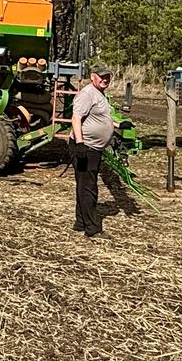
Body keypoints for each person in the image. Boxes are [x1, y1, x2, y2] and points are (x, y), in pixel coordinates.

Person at [71, 63, 115, 238]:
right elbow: (76, 118)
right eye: (101, 76)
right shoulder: (87, 94)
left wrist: (117, 125)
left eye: (107, 77)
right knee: (89, 187)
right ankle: (93, 228)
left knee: (84, 185)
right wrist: (80, 143)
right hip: (86, 147)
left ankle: (80, 222)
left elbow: (97, 118)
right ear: (93, 76)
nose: (105, 80)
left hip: (93, 147)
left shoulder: (99, 94)